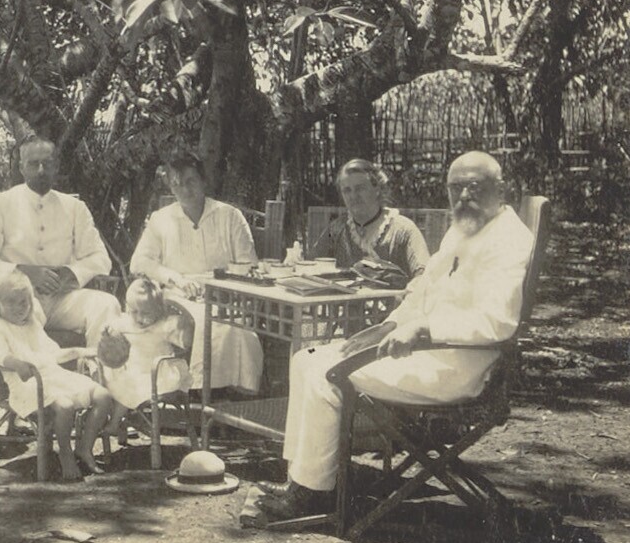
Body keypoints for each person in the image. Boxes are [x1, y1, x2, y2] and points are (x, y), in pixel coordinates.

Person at [253, 151, 535, 520]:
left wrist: (424, 329)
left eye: (474, 187)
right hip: (431, 351)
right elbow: (424, 289)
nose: (463, 196)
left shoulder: (508, 239)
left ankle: (312, 494)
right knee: (306, 359)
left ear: (500, 189)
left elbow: (498, 321)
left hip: (458, 363)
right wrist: (391, 324)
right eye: (455, 188)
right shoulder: (465, 228)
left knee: (325, 374)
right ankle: (303, 480)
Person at [128, 151, 263, 394]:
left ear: (203, 181)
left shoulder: (229, 216)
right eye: (176, 183)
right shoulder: (161, 219)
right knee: (206, 322)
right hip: (179, 295)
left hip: (225, 293)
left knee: (237, 327)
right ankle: (204, 392)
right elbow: (139, 262)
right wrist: (175, 278)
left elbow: (248, 264)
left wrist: (225, 287)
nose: (184, 189)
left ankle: (237, 393)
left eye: (190, 181)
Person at [0, 136, 120, 348]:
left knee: (106, 304)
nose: (41, 170)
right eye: (33, 164)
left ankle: (100, 367)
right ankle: (39, 369)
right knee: (27, 312)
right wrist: (21, 272)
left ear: (56, 166)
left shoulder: (75, 208)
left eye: (47, 164)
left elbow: (100, 257)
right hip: (18, 297)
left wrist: (71, 274)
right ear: (21, 168)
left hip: (63, 298)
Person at [0, 273, 115, 481]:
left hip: (53, 376)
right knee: (64, 405)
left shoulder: (32, 324)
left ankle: (84, 448)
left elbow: (53, 354)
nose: (19, 308)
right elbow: (0, 356)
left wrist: (81, 351)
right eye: (11, 303)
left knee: (103, 395)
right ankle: (65, 453)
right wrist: (18, 364)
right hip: (27, 383)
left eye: (24, 302)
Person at [309, 158, 430, 281]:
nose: (353, 196)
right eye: (347, 190)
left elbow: (425, 276)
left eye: (360, 188)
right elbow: (311, 267)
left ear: (377, 189)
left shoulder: (402, 230)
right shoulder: (336, 229)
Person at [98, 276, 194, 424]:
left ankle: (115, 423)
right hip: (133, 370)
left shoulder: (164, 325)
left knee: (130, 386)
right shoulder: (126, 323)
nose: (139, 318)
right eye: (134, 312)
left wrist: (185, 326)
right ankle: (110, 419)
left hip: (158, 374)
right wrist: (107, 331)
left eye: (146, 313)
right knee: (111, 376)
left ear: (158, 310)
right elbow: (113, 327)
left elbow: (186, 341)